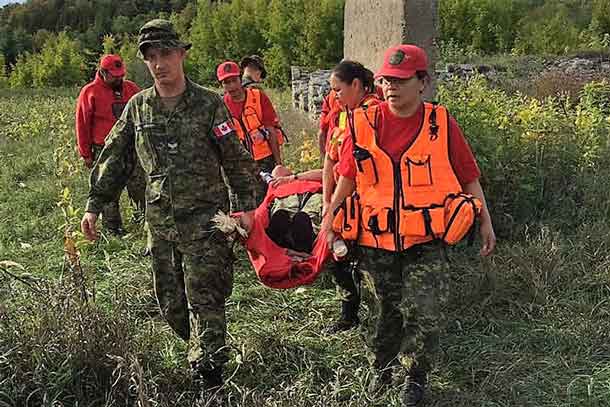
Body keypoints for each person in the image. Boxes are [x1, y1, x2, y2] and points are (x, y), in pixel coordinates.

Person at [79, 19, 263, 392]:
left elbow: (235, 157)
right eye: (151, 57)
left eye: (165, 53)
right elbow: (115, 158)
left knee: (206, 299)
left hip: (207, 223)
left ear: (181, 55)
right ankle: (196, 346)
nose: (159, 63)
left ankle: (209, 374)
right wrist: (94, 204)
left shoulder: (208, 104)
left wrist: (247, 206)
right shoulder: (138, 107)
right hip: (161, 225)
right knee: (171, 303)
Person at [320, 44, 496, 406]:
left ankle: (416, 377)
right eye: (387, 80)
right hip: (376, 242)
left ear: (423, 82)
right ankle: (381, 368)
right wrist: (330, 217)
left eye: (401, 80)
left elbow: (468, 176)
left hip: (426, 241)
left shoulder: (440, 123)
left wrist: (485, 222)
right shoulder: (363, 123)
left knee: (425, 310)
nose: (391, 87)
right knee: (384, 310)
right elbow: (347, 177)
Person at [322, 60, 382, 333]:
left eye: (338, 89)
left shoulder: (373, 114)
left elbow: (349, 172)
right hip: (344, 201)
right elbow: (330, 159)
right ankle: (350, 315)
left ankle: (375, 320)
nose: (334, 95)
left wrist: (331, 209)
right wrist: (327, 201)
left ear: (356, 85)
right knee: (340, 259)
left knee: (368, 264)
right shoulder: (343, 113)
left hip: (367, 203)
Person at [75, 54, 145, 235]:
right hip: (104, 150)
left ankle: (144, 221)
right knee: (108, 190)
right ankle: (113, 230)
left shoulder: (131, 88)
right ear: (103, 72)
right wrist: (86, 154)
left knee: (140, 186)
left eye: (121, 75)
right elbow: (82, 124)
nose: (119, 79)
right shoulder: (89, 92)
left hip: (133, 147)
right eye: (115, 76)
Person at [217, 60, 283, 174]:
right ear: (221, 85)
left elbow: (271, 130)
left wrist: (278, 164)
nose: (232, 86)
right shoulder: (220, 106)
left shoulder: (258, 97)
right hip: (238, 164)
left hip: (265, 160)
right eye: (226, 82)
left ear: (240, 79)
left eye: (234, 80)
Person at [266, 165, 323, 255]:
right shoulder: (279, 184)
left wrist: (293, 178)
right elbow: (278, 169)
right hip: (285, 197)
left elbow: (324, 173)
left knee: (302, 218)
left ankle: (300, 246)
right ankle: (282, 244)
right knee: (281, 214)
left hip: (310, 198)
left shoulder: (304, 178)